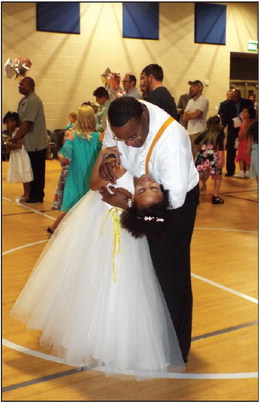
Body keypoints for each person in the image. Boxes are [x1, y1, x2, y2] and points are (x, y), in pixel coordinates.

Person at [10, 151, 185, 379]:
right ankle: (81, 331)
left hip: (123, 239)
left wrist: (127, 203)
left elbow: (148, 214)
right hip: (93, 228)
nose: (146, 185)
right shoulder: (123, 168)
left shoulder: (138, 185)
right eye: (148, 188)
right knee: (86, 278)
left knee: (117, 284)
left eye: (145, 190)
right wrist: (103, 156)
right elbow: (93, 185)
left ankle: (110, 340)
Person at [96, 97, 199, 362]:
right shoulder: (119, 118)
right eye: (123, 138)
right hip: (138, 191)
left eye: (134, 136)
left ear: (143, 114)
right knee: (141, 270)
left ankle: (175, 347)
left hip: (172, 204)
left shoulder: (171, 143)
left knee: (169, 272)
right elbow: (109, 147)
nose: (128, 143)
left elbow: (171, 206)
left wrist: (129, 202)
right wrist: (109, 158)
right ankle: (147, 336)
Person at [47, 105, 102, 234]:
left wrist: (61, 156)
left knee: (72, 207)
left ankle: (55, 228)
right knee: (88, 206)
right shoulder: (99, 137)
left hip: (76, 176)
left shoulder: (73, 136)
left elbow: (64, 156)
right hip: (92, 177)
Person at [12, 77, 48, 203]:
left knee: (37, 170)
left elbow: (27, 122)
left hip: (36, 142)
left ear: (30, 86)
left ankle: (37, 196)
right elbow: (20, 120)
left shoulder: (34, 101)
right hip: (27, 143)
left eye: (22, 84)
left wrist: (15, 138)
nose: (19, 86)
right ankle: (29, 194)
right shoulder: (24, 100)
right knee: (29, 168)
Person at [218, 88, 253, 177]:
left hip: (245, 129)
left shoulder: (248, 102)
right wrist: (222, 126)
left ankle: (245, 171)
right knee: (230, 151)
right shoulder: (226, 104)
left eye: (236, 95)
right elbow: (224, 117)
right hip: (232, 130)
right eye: (233, 95)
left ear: (240, 94)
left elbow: (253, 115)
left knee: (244, 151)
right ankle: (230, 171)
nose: (234, 97)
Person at [194, 115, 225, 204]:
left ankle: (195, 197)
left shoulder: (205, 132)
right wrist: (220, 160)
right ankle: (215, 197)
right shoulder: (220, 132)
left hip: (202, 155)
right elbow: (221, 148)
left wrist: (199, 152)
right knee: (218, 177)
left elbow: (196, 142)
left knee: (204, 177)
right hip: (213, 156)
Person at [4, 111, 33, 202]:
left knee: (25, 175)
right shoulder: (12, 132)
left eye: (8, 123)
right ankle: (24, 193)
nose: (6, 126)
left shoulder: (17, 131)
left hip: (21, 156)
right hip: (16, 156)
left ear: (14, 122)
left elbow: (19, 146)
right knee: (22, 175)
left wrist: (8, 144)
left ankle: (27, 195)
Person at [183, 80, 209, 158]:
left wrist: (191, 115)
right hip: (190, 132)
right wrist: (192, 114)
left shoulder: (203, 100)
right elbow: (184, 116)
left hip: (199, 132)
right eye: (191, 87)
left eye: (194, 86)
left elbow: (197, 114)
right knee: (190, 157)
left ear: (200, 88)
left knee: (198, 156)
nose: (191, 88)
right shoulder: (190, 101)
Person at [50, 130, 71, 211]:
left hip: (73, 174)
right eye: (67, 135)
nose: (69, 137)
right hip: (66, 175)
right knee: (63, 190)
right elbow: (65, 160)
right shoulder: (61, 151)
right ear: (62, 140)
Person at [235, 106, 256, 178]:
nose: (242, 113)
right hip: (248, 141)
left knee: (241, 157)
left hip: (244, 141)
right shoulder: (251, 121)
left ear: (249, 114)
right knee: (247, 157)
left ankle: (242, 172)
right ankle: (247, 172)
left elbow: (243, 132)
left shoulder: (246, 122)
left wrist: (239, 139)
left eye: (245, 112)